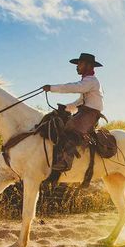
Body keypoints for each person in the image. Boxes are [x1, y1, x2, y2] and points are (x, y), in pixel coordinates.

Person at [41, 52, 104, 184]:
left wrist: (52, 88)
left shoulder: (91, 81)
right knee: (57, 123)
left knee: (70, 130)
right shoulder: (87, 82)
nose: (77, 67)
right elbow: (80, 102)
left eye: (80, 64)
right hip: (84, 112)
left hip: (91, 114)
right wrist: (67, 107)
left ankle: (64, 163)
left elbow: (75, 87)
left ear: (88, 65)